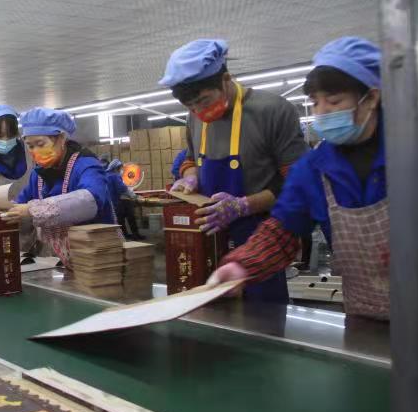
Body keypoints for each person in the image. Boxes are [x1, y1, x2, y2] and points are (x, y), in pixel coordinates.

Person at [209, 37, 389, 320]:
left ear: (372, 97)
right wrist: (241, 266)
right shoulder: (315, 169)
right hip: (365, 317)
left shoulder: (409, 153)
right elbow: (282, 230)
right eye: (315, 102)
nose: (322, 111)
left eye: (334, 101)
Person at [160, 39, 308, 302]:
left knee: (262, 318)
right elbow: (190, 160)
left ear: (226, 79)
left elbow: (298, 186)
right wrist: (190, 177)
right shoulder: (194, 119)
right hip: (208, 240)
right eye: (191, 106)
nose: (199, 111)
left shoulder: (273, 111)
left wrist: (243, 206)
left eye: (204, 101)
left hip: (260, 243)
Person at [3, 107, 114, 266]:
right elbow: (21, 203)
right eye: (30, 146)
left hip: (98, 257)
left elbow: (91, 200)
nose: (36, 151)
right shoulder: (38, 175)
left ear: (61, 139)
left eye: (40, 144)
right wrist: (4, 210)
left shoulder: (86, 165)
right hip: (62, 261)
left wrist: (32, 210)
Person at [106, 159, 144, 240]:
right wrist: (134, 196)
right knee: (130, 217)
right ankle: (135, 235)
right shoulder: (114, 176)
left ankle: (125, 236)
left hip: (112, 201)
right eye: (121, 168)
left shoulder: (107, 175)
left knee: (120, 220)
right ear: (116, 168)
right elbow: (123, 189)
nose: (122, 170)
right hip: (119, 201)